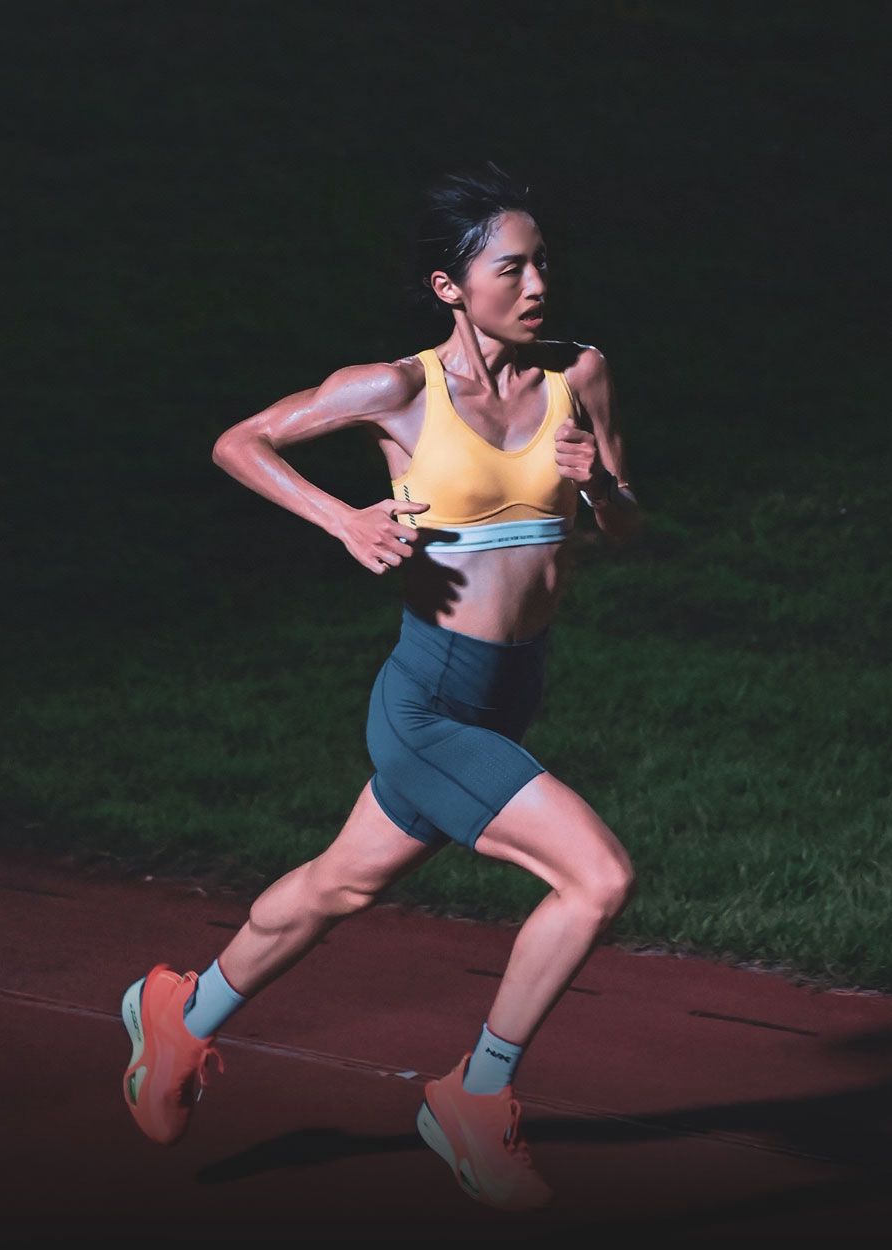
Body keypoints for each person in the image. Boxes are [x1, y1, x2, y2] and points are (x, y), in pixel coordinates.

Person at [119, 162, 643, 1212]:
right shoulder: (396, 391)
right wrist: (341, 519)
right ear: (451, 287)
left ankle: (180, 1012)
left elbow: (626, 528)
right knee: (596, 879)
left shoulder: (578, 374)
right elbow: (239, 442)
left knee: (339, 886)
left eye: (542, 262)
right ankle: (473, 1095)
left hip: (510, 689)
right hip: (430, 701)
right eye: (511, 268)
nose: (538, 283)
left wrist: (598, 488)